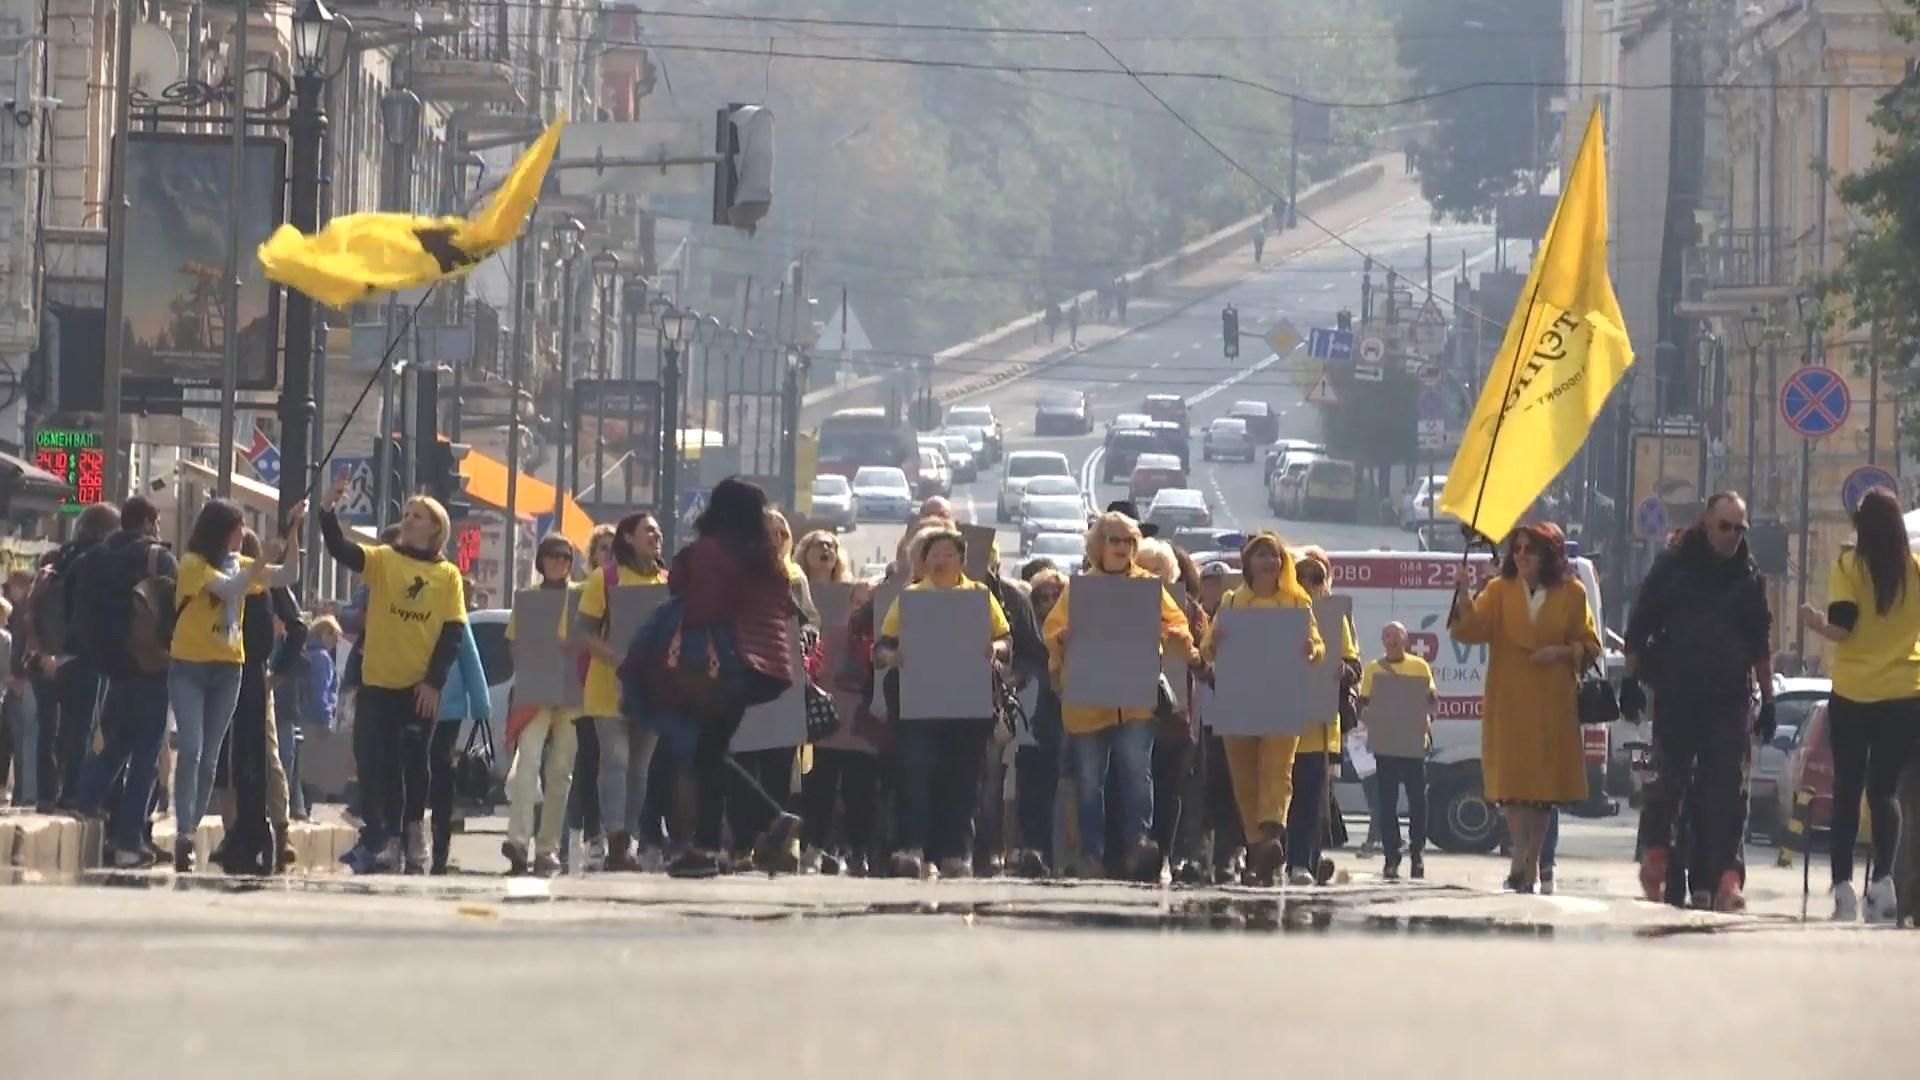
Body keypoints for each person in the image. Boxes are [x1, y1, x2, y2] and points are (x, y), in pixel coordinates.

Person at [1623, 493, 1773, 911]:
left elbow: (1760, 641)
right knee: (1666, 779)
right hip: (1677, 690)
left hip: (1729, 696)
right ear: (1706, 522)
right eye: (1725, 526)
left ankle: (1727, 878)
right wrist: (1630, 680)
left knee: (1727, 789)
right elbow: (1640, 624)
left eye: (1740, 528)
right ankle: (1656, 855)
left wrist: (1769, 697)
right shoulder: (1673, 565)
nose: (1732, 535)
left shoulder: (1748, 574)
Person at [319, 485, 466, 875]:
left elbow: (452, 633)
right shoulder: (384, 559)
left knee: (415, 763)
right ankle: (389, 838)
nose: (409, 520)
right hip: (378, 683)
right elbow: (342, 550)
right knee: (379, 764)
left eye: (418, 515)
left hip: (418, 687)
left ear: (436, 528)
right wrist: (327, 510)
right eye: (407, 514)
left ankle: (415, 832)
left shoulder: (447, 575)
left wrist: (433, 682)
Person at [663, 477, 803, 879]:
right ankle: (708, 847)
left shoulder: (709, 553)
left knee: (707, 753)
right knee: (712, 752)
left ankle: (767, 820)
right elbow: (787, 608)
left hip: (725, 662)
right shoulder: (768, 559)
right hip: (765, 666)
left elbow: (696, 602)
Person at [1448, 522, 1599, 893]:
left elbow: (1590, 644)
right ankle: (1519, 859)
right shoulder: (1499, 590)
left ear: (1548, 554)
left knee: (1542, 791)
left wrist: (1561, 652)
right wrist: (1464, 591)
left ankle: (1533, 861)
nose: (1521, 556)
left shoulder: (1573, 593)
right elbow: (1470, 630)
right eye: (1516, 549)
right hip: (1510, 697)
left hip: (1551, 700)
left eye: (1529, 549)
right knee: (1513, 786)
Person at [1044, 511, 1192, 879]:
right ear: (1100, 544)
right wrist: (1062, 638)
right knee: (1090, 783)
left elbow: (1178, 624)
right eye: (1115, 540)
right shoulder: (1080, 588)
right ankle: (1091, 855)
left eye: (1129, 541)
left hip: (1135, 701)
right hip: (1088, 703)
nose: (1123, 547)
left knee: (1137, 775)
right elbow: (1053, 629)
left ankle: (1138, 847)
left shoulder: (1148, 587)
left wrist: (1175, 635)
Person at [1797, 488, 1920, 923]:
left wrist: (1815, 622)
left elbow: (1844, 628)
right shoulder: (1915, 570)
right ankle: (1883, 883)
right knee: (1884, 791)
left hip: (1853, 692)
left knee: (1847, 788)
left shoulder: (1848, 567)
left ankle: (1844, 888)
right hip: (1905, 692)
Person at [168, 499, 302, 873]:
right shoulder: (193, 564)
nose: (242, 534)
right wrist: (261, 561)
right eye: (237, 527)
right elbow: (229, 590)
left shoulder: (242, 564)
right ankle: (183, 830)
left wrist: (294, 532)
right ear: (219, 530)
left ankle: (190, 832)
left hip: (229, 668)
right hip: (189, 666)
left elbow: (288, 574)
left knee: (211, 757)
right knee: (192, 748)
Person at [874, 525, 1011, 879]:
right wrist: (893, 657)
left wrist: (995, 649)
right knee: (916, 776)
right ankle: (913, 848)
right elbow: (882, 647)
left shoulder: (980, 595)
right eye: (934, 554)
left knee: (963, 780)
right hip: (919, 704)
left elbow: (1005, 639)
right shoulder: (910, 597)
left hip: (969, 704)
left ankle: (956, 852)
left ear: (962, 560)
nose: (941, 560)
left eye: (948, 554)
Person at [1201, 533, 1325, 886]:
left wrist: (1310, 649)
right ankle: (1259, 852)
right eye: (1262, 555)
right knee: (1244, 778)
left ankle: (1272, 837)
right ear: (1248, 563)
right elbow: (1207, 649)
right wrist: (1216, 640)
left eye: (1274, 555)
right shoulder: (1232, 602)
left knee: (1277, 771)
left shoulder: (1297, 602)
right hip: (1238, 698)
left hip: (1282, 698)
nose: (1269, 561)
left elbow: (1318, 648)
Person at [69, 497, 177, 867]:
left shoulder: (94, 558)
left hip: (112, 667)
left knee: (120, 741)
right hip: (151, 665)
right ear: (146, 522)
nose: (158, 529)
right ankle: (129, 839)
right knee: (146, 751)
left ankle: (85, 799)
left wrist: (103, 656)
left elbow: (79, 612)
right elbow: (177, 609)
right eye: (156, 522)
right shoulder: (157, 558)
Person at [577, 512, 667, 872]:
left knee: (640, 769)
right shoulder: (605, 578)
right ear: (628, 537)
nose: (656, 536)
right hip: (608, 688)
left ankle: (627, 839)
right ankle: (614, 838)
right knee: (615, 762)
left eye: (658, 531)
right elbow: (585, 633)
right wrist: (620, 659)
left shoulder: (666, 581)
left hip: (653, 690)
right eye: (648, 530)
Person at [215, 528, 308, 875]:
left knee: (264, 754)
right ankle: (234, 833)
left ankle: (281, 833)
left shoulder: (265, 580)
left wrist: (277, 673)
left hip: (252, 674)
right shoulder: (219, 576)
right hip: (221, 672)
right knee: (227, 755)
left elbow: (298, 627)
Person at [796, 530, 880, 875]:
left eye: (864, 602)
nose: (858, 607)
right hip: (827, 714)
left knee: (861, 789)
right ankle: (813, 849)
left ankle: (859, 852)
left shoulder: (877, 631)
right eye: (854, 601)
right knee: (820, 786)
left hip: (863, 716)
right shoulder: (826, 626)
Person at [501, 536, 584, 876]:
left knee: (560, 772)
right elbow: (514, 643)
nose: (559, 561)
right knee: (528, 762)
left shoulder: (582, 596)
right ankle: (518, 842)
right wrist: (532, 667)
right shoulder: (528, 598)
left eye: (565, 556)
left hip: (572, 694)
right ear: (541, 560)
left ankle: (547, 848)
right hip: (536, 692)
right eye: (552, 555)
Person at [27, 502, 118, 811]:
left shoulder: (56, 558)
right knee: (81, 728)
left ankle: (45, 795)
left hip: (46, 654)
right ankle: (71, 793)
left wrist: (41, 650)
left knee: (47, 729)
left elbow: (32, 607)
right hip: (84, 655)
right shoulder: (100, 561)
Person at [1287, 546, 1357, 886]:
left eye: (1316, 577)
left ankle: (1303, 862)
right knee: (1279, 798)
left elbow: (1354, 666)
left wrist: (1343, 671)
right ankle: (1282, 858)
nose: (1308, 582)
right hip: (1280, 723)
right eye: (1301, 575)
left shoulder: (1334, 618)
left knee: (1311, 800)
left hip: (1319, 726)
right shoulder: (1281, 611)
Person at [1358, 622, 1438, 880]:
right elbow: (1362, 703)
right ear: (1383, 640)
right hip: (1387, 743)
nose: (1390, 639)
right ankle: (1391, 857)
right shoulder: (1373, 668)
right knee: (1387, 801)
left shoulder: (1420, 666)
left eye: (1395, 635)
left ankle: (1417, 854)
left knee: (1418, 800)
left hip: (1414, 742)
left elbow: (1431, 701)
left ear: (1405, 639)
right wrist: (1368, 718)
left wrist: (1428, 718)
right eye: (1386, 635)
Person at [1013, 567, 1068, 877]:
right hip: (1030, 724)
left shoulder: (1075, 632)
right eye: (1041, 598)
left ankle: (1058, 854)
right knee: (1031, 785)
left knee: (1061, 787)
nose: (1049, 603)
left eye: (1056, 596)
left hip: (1068, 720)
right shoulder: (1026, 636)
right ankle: (1033, 849)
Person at [429, 612, 492, 875]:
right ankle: (436, 844)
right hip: (435, 706)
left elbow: (469, 658)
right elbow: (471, 660)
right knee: (438, 773)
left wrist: (481, 705)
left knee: (436, 773)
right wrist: (481, 706)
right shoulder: (450, 611)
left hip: (445, 709)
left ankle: (437, 844)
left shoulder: (453, 614)